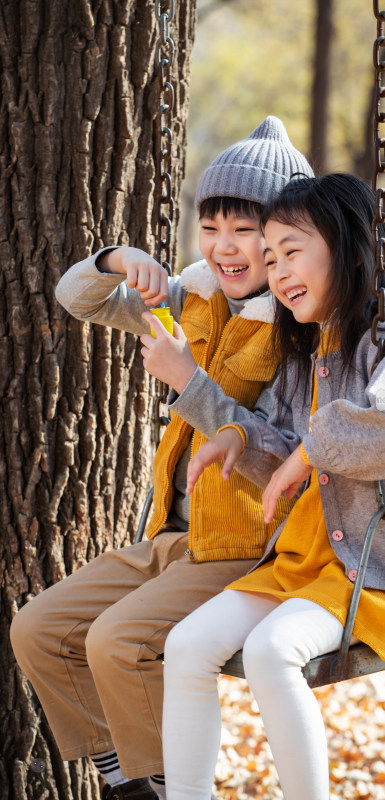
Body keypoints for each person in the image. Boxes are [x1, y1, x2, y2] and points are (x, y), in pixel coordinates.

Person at [10, 117, 314, 800]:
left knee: (116, 642)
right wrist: (116, 259)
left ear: (287, 237)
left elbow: (288, 464)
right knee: (39, 628)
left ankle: (167, 785)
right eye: (212, 227)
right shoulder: (194, 294)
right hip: (174, 538)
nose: (227, 247)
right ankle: (126, 781)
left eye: (247, 229)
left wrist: (188, 383)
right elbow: (75, 299)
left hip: (249, 547)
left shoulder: (300, 328)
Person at [162, 173, 385, 800]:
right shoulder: (306, 354)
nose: (277, 269)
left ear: (353, 250)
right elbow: (286, 460)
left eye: (291, 251)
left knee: (272, 652)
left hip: (381, 571)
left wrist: (309, 449)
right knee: (187, 644)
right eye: (269, 258)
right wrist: (240, 438)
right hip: (302, 565)